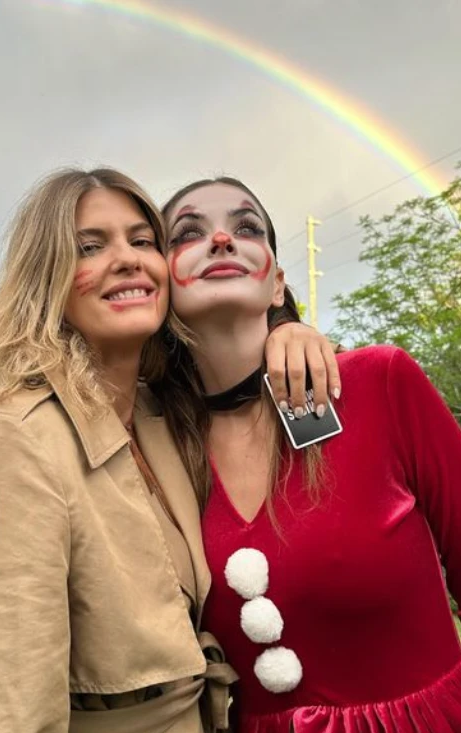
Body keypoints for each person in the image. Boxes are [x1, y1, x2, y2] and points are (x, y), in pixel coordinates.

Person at [0, 168, 340, 733]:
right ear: (47, 281)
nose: (127, 259)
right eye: (90, 247)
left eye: (142, 241)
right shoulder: (14, 442)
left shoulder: (167, 419)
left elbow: (234, 358)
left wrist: (285, 326)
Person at [156, 176, 461, 733]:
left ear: (277, 284)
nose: (222, 238)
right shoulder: (157, 443)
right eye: (188, 232)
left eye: (247, 227)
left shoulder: (380, 382)